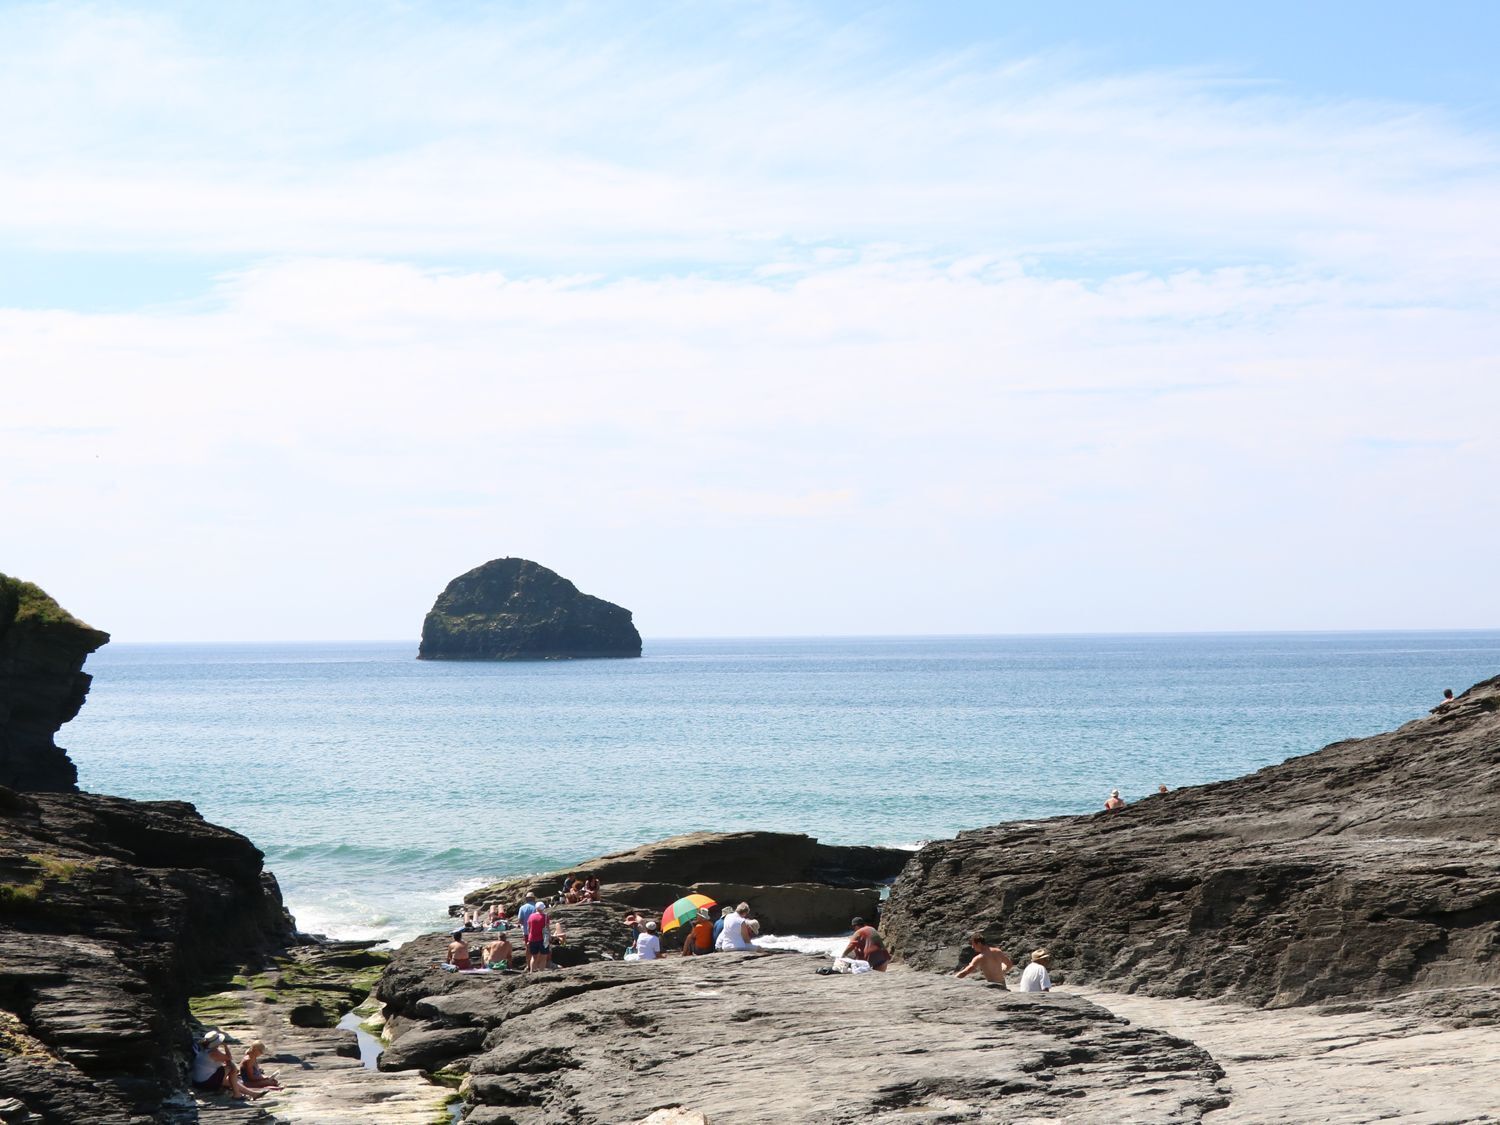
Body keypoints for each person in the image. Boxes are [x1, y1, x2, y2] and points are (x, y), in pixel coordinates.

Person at [191, 1030, 263, 1100]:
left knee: (229, 1081)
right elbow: (229, 1058)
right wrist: (225, 1046)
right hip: (205, 1083)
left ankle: (252, 1094)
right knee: (231, 1068)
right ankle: (237, 1094)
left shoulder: (204, 1050)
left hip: (197, 1082)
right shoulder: (213, 1052)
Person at [525, 899, 550, 972]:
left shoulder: (531, 916)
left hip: (532, 938)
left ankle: (532, 971)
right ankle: (541, 972)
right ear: (543, 908)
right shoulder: (545, 917)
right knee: (544, 956)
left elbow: (529, 928)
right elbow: (547, 928)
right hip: (543, 939)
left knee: (534, 956)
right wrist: (549, 937)